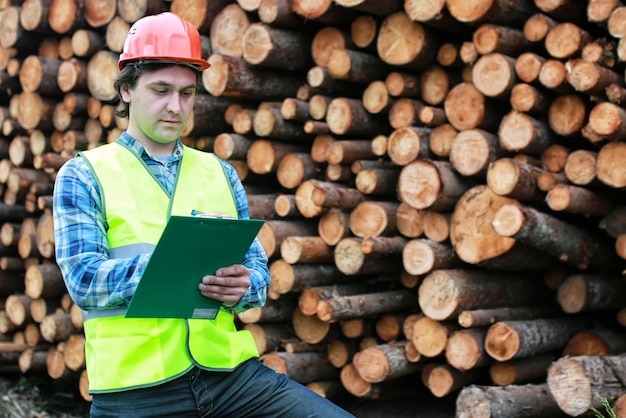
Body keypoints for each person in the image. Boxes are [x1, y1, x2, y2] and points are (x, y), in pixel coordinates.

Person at [52, 12, 355, 418]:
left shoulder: (219, 172)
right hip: (137, 392)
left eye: (186, 93)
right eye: (160, 90)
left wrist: (242, 287)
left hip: (233, 378)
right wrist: (171, 265)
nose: (175, 106)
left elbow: (258, 276)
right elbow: (84, 282)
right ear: (126, 90)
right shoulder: (85, 173)